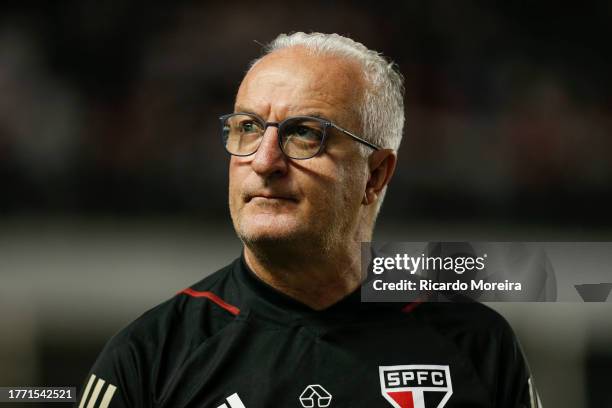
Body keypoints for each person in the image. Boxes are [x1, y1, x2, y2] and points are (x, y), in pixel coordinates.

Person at [77, 32, 541, 408]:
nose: (265, 160)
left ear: (375, 174)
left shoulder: (478, 346)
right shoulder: (149, 357)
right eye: (247, 128)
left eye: (304, 134)